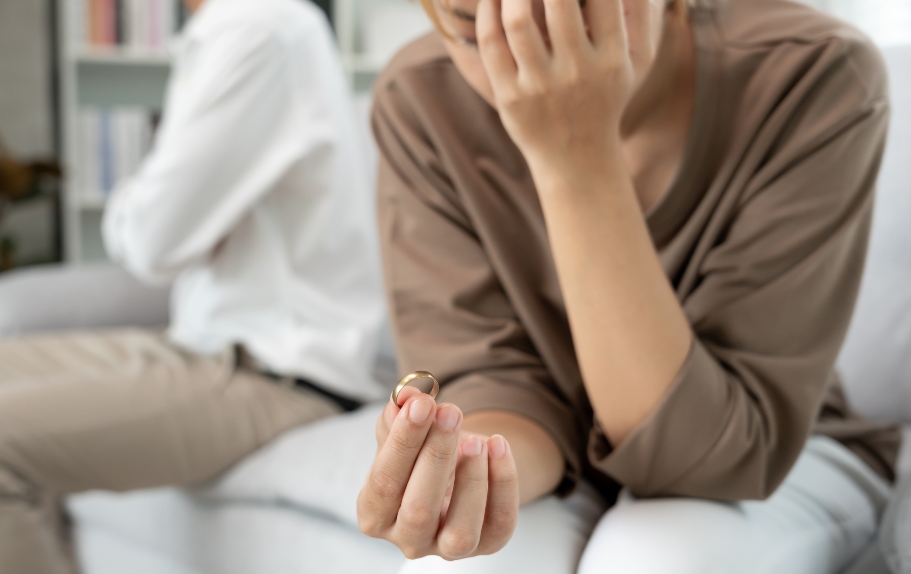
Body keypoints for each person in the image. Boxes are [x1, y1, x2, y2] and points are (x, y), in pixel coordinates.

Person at [357, 0, 903, 572]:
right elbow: (496, 382)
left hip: (771, 457)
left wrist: (576, 151)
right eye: (473, 29)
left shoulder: (811, 73)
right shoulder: (420, 97)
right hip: (562, 453)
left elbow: (717, 455)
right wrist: (463, 468)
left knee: (655, 560)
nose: (528, 66)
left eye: (570, 14)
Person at [0, 0, 384, 573]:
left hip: (281, 373)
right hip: (209, 345)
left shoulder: (258, 30)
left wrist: (149, 204)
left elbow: (152, 243)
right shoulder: (244, 28)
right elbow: (166, 228)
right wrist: (163, 207)